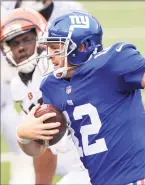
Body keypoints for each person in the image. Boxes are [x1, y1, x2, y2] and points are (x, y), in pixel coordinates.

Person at [16, 11, 145, 185]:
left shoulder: (112, 64)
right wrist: (23, 136)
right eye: (49, 47)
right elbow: (39, 148)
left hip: (134, 180)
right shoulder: (51, 85)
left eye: (56, 48)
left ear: (82, 47)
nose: (50, 54)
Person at [0, 8, 90, 185]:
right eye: (14, 43)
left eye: (27, 39)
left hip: (100, 162)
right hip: (76, 165)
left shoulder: (57, 66)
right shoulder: (19, 86)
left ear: (41, 37)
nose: (21, 48)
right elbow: (45, 146)